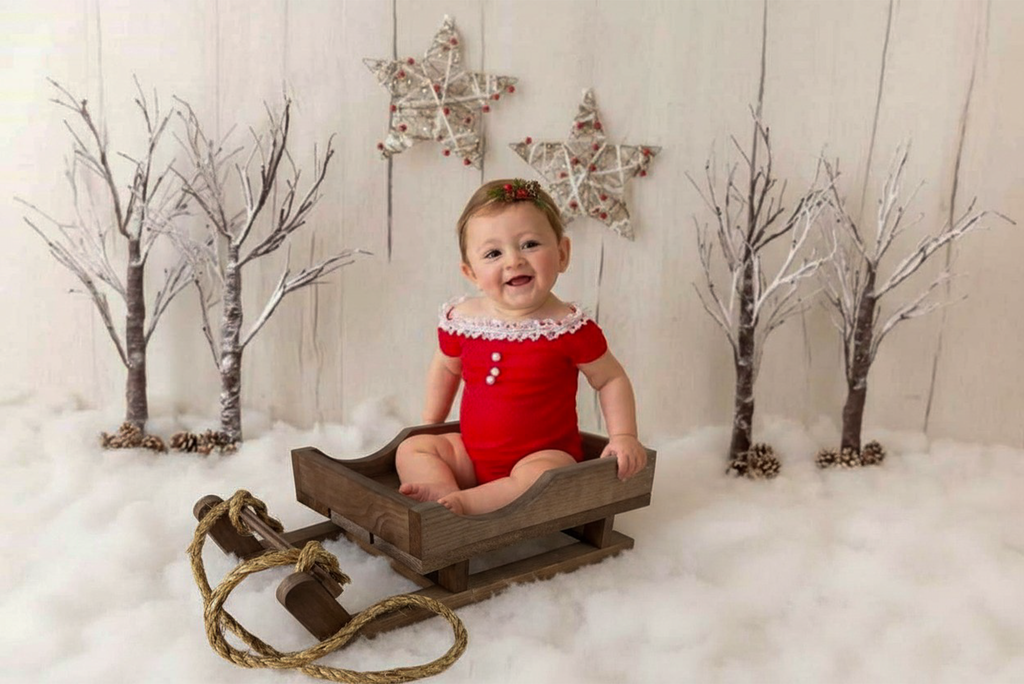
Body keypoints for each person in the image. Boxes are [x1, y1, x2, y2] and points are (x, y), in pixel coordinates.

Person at [396, 178, 646, 516]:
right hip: (471, 454)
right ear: (471, 272)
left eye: (529, 244)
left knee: (541, 476)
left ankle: (467, 506)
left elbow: (610, 379)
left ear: (562, 254)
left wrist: (624, 435)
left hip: (543, 457)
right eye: (494, 253)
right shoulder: (464, 320)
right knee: (412, 448)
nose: (514, 261)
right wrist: (431, 423)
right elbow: (445, 367)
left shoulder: (567, 327)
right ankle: (443, 490)